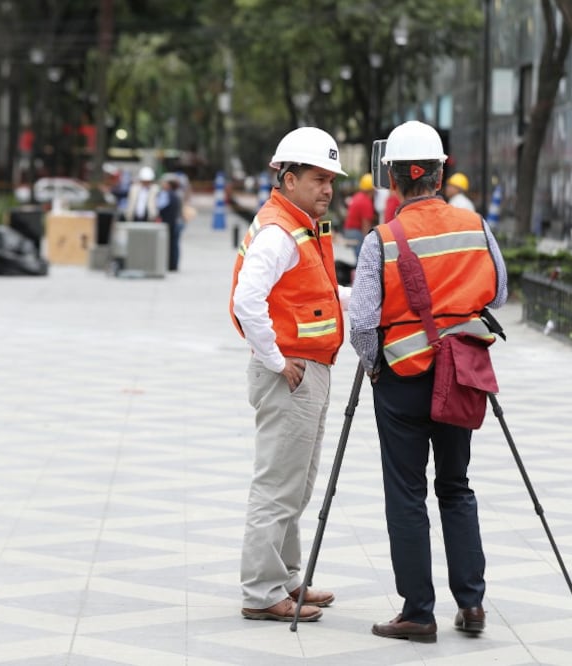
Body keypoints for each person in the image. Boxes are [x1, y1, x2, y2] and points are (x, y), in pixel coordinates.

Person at [348, 120, 508, 642]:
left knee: (407, 493)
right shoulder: (475, 226)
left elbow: (362, 322)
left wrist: (375, 367)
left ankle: (418, 612)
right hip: (460, 373)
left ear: (393, 180)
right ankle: (472, 603)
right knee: (456, 485)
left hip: (402, 380)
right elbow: (499, 293)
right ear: (440, 175)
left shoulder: (381, 240)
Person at [229, 126, 350, 623]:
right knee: (278, 486)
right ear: (290, 178)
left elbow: (314, 296)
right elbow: (246, 301)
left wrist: (362, 297)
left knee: (296, 485)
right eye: (319, 179)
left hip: (307, 370)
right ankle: (262, 591)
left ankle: (286, 577)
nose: (328, 189)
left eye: (331, 180)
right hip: (291, 375)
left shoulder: (299, 227)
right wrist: (277, 361)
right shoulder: (279, 232)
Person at [343, 173, 376, 258]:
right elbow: (366, 226)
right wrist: (369, 243)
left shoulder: (357, 196)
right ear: (371, 189)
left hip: (348, 231)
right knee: (362, 257)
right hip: (356, 233)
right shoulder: (366, 202)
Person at [157, 173, 183, 271]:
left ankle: (171, 265)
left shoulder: (166, 194)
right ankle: (173, 265)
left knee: (171, 245)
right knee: (174, 245)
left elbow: (160, 207)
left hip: (171, 223)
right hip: (177, 222)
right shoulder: (177, 194)